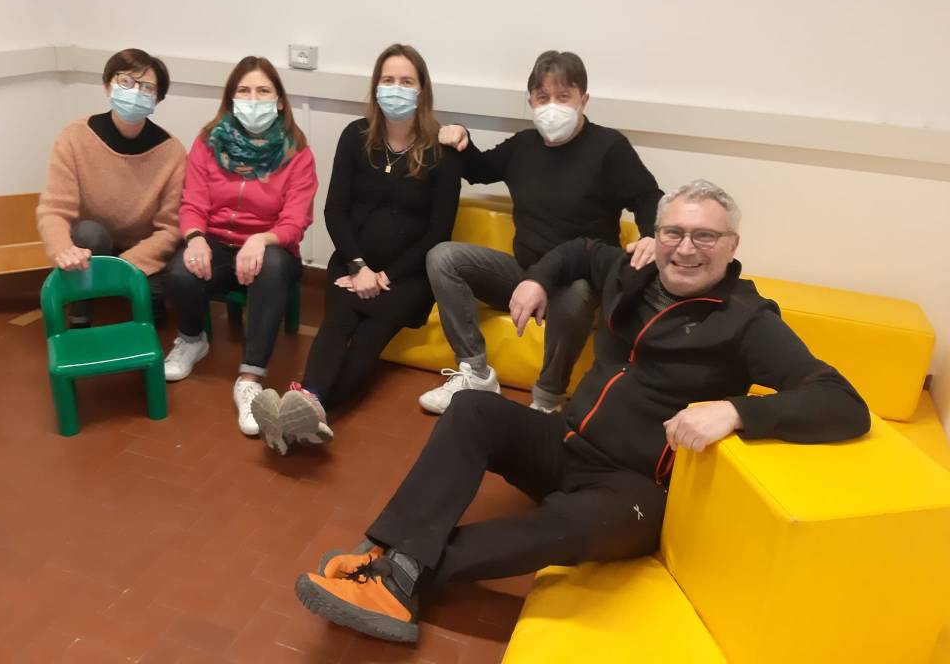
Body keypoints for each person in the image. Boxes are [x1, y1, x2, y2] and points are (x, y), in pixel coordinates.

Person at [294, 179, 870, 644]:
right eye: (673, 232)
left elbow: (843, 403)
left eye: (704, 236)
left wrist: (736, 411)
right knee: (472, 407)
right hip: (565, 441)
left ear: (732, 244)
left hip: (632, 489)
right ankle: (394, 556)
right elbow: (577, 251)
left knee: (571, 525)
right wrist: (537, 282)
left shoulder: (747, 321)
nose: (685, 248)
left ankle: (396, 568)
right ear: (656, 235)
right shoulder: (633, 269)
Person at [418, 50, 663, 415]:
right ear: (531, 101)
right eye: (543, 97)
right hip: (523, 273)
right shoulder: (523, 145)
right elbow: (479, 169)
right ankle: (475, 371)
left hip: (578, 280)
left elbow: (647, 196)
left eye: (563, 97)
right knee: (443, 257)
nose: (552, 106)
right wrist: (458, 136)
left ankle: (547, 398)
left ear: (583, 100)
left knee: (577, 294)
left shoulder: (609, 147)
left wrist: (651, 236)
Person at [251, 44, 461, 455]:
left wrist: (385, 276)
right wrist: (359, 266)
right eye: (388, 80)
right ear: (375, 87)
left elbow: (439, 232)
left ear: (422, 90)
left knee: (368, 337)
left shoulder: (442, 151)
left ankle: (307, 405)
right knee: (337, 322)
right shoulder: (355, 136)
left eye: (406, 81)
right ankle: (310, 406)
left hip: (408, 277)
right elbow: (335, 210)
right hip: (352, 263)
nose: (395, 89)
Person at [162, 56, 317, 436]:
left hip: (271, 248)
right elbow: (193, 202)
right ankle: (192, 339)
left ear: (279, 100)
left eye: (263, 91)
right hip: (216, 241)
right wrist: (195, 237)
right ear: (231, 98)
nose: (253, 99)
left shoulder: (297, 152)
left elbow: (295, 221)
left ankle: (250, 377)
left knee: (274, 268)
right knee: (179, 272)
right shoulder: (208, 142)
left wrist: (261, 240)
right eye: (244, 91)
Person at [36, 48, 186, 326]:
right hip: (90, 245)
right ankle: (80, 314)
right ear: (108, 86)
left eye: (147, 87)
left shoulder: (172, 152)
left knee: (154, 300)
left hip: (142, 248)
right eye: (126, 81)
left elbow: (171, 227)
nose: (135, 92)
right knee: (89, 233)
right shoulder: (73, 137)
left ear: (158, 98)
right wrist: (63, 249)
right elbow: (54, 209)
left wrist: (125, 266)